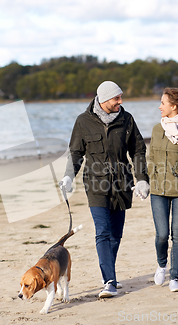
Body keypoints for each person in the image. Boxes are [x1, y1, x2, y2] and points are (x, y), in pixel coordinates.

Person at [60, 81, 150, 298]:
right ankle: (109, 281)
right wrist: (68, 177)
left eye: (121, 97)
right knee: (103, 231)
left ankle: (108, 273)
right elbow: (75, 153)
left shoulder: (127, 120)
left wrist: (141, 179)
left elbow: (138, 150)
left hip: (122, 184)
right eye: (116, 98)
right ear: (103, 99)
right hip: (95, 184)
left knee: (116, 235)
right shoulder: (83, 122)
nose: (120, 101)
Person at [148, 87, 178, 292]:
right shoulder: (156, 130)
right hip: (158, 190)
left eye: (163, 103)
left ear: (173, 106)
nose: (160, 106)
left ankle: (174, 277)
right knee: (161, 235)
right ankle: (161, 265)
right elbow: (151, 158)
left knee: (177, 234)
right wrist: (146, 181)